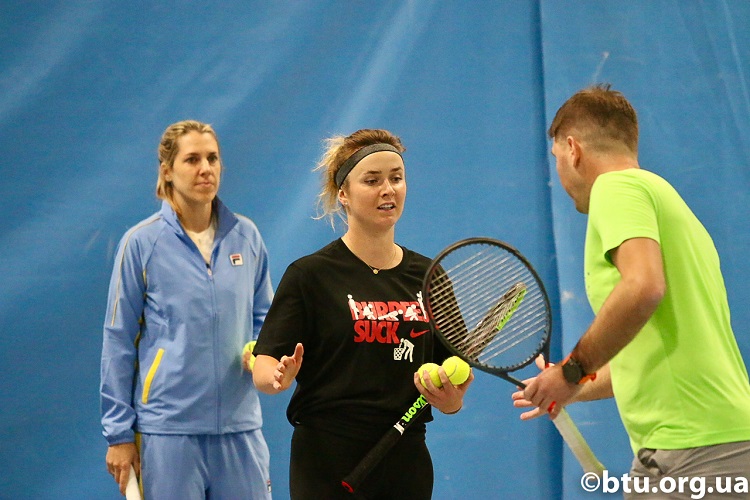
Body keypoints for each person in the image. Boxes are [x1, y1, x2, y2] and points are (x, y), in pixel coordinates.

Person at [513, 84, 750, 497]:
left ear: (573, 149)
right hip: (713, 442)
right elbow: (644, 356)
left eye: (556, 157)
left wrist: (570, 371)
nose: (560, 172)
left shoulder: (616, 188)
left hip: (692, 451)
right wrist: (571, 386)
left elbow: (643, 287)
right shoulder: (667, 202)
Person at [251, 128, 473, 499]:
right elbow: (265, 363)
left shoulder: (430, 276)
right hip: (326, 463)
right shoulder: (309, 275)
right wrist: (276, 378)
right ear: (343, 194)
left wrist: (451, 401)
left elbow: (454, 382)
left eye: (396, 178)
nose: (388, 190)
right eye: (372, 181)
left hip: (406, 463)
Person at [100, 120, 274, 499]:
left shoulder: (247, 237)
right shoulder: (140, 244)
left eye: (212, 158)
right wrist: (118, 434)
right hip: (168, 432)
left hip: (240, 428)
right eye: (192, 159)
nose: (205, 168)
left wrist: (263, 355)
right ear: (167, 171)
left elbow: (267, 322)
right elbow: (118, 341)